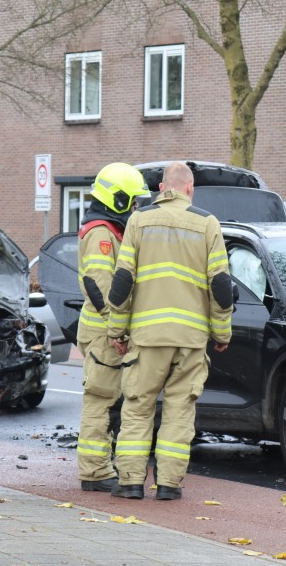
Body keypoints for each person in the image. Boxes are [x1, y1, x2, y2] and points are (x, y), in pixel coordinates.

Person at [106, 161, 233, 501]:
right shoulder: (208, 224)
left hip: (147, 339)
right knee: (179, 411)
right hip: (190, 341)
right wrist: (221, 334)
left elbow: (122, 283)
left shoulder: (138, 221)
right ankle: (169, 485)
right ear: (190, 190)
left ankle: (131, 483)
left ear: (162, 189)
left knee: (137, 407)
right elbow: (221, 286)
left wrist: (117, 330)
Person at [75, 162, 150, 493]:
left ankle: (102, 466)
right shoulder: (101, 234)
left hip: (109, 331)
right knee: (100, 401)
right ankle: (93, 472)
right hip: (105, 334)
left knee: (111, 402)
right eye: (132, 202)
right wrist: (116, 329)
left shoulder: (109, 231)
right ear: (118, 200)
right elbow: (98, 284)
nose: (135, 209)